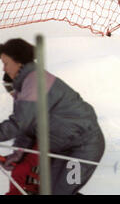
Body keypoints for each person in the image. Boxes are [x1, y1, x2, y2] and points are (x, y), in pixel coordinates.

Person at [0, 38, 105, 194]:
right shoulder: (26, 87)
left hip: (83, 147)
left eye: (6, 63)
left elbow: (19, 124)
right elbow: (28, 130)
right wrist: (18, 154)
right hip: (63, 149)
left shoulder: (35, 81)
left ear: (19, 62)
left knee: (62, 191)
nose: (4, 69)